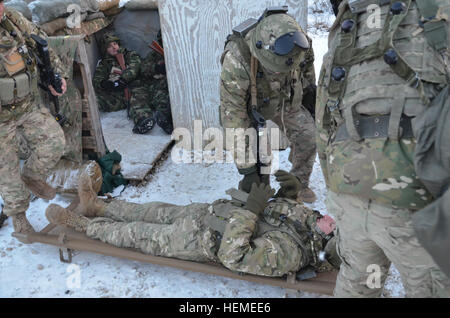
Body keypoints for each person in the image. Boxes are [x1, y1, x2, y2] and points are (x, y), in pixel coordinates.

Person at [316, 0, 450, 297]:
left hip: (348, 186)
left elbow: (323, 119)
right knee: (430, 284)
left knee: (360, 282)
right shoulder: (438, 13)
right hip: (414, 198)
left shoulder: (349, 23)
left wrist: (334, 190)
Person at [45, 170, 340, 278]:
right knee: (147, 211)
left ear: (329, 247)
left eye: (334, 230)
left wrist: (250, 212)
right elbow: (280, 217)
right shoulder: (314, 225)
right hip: (206, 213)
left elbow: (233, 256)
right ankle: (96, 205)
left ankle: (81, 223)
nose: (329, 221)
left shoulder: (292, 254)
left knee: (133, 234)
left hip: (196, 241)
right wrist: (290, 195)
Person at [219, 7, 318, 203]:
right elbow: (233, 116)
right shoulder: (237, 58)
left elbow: (308, 70)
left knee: (309, 137)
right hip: (253, 106)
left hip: (286, 99)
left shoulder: (300, 42)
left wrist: (308, 96)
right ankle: (255, 184)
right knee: (259, 168)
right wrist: (247, 170)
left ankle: (297, 184)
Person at [0, 2, 67, 237]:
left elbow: (41, 43)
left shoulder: (13, 20)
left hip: (27, 106)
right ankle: (19, 218)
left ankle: (32, 175)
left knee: (55, 142)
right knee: (6, 172)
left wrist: (55, 74)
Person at [93, 33, 155, 134]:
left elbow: (134, 68)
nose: (114, 47)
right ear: (105, 50)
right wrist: (105, 84)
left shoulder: (130, 55)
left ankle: (144, 121)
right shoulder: (105, 64)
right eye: (109, 46)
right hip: (119, 94)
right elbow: (97, 78)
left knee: (137, 101)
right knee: (95, 100)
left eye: (115, 44)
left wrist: (123, 79)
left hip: (136, 87)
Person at [140, 30, 174, 135]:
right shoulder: (155, 54)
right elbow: (143, 69)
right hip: (161, 85)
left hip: (176, 84)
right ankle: (164, 120)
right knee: (162, 98)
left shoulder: (177, 51)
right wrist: (157, 68)